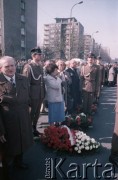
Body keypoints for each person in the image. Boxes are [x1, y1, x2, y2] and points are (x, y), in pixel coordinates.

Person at [0, 56, 33, 180]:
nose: (10, 68)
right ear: (1, 68)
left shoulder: (23, 79)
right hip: (6, 123)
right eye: (6, 66)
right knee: (8, 149)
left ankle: (19, 162)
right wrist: (0, 130)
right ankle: (6, 172)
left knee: (22, 142)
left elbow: (27, 96)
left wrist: (29, 107)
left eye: (12, 65)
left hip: (23, 118)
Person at [22, 47, 45, 137]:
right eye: (39, 55)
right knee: (31, 113)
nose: (40, 56)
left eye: (40, 54)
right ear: (34, 56)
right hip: (33, 93)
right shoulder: (29, 67)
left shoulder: (39, 66)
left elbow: (42, 80)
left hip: (40, 93)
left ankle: (34, 128)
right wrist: (27, 96)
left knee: (37, 113)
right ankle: (27, 130)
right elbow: (26, 83)